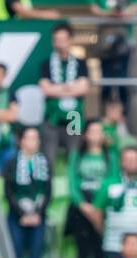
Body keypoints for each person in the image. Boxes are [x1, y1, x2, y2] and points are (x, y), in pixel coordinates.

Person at [93, 145, 137, 258]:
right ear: (121, 162)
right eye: (128, 160)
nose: (131, 163)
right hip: (113, 244)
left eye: (135, 160)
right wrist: (104, 231)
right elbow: (97, 212)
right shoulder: (109, 184)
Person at [37, 24, 88, 170]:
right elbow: (46, 89)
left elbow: (83, 88)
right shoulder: (46, 64)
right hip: (52, 117)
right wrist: (71, 87)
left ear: (70, 40)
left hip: (74, 117)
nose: (60, 43)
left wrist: (58, 89)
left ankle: (73, 191)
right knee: (48, 159)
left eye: (63, 39)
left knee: (73, 158)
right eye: (57, 39)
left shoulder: (80, 63)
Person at [66, 120, 115, 258]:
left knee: (101, 246)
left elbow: (112, 181)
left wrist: (97, 207)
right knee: (83, 244)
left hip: (102, 203)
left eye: (99, 132)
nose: (96, 135)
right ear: (85, 135)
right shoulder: (77, 155)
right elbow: (72, 182)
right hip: (81, 205)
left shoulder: (110, 156)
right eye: (92, 131)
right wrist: (83, 205)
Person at [3, 126, 51, 258]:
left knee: (36, 255)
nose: (31, 142)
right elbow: (8, 192)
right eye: (28, 138)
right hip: (16, 214)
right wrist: (22, 214)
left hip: (38, 216)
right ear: (21, 141)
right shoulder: (12, 163)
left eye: (35, 138)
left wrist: (37, 214)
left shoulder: (45, 162)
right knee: (15, 255)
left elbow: (48, 192)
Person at [89, 0, 136, 106]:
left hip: (123, 44)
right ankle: (104, 118)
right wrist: (110, 14)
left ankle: (123, 117)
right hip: (104, 45)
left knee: (123, 84)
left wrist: (121, 13)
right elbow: (94, 9)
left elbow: (135, 8)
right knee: (106, 84)